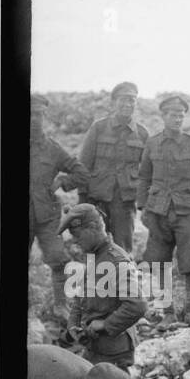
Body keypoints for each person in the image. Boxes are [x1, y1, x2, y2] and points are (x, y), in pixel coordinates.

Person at [58, 203, 147, 379]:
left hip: (114, 348)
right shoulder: (93, 259)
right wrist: (74, 323)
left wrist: (104, 325)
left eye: (79, 236)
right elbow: (80, 298)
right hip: (95, 349)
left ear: (95, 228)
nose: (76, 242)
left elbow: (136, 305)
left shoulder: (117, 260)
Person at [136, 93, 190, 322]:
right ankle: (167, 312)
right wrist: (142, 208)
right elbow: (143, 178)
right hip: (158, 213)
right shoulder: (152, 143)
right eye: (173, 115)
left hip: (186, 212)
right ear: (163, 116)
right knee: (160, 264)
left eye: (181, 115)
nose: (177, 119)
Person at [29, 93, 90, 324]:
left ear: (45, 117)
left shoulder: (52, 149)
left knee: (58, 259)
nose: (35, 119)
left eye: (39, 115)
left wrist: (62, 182)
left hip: (46, 215)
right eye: (31, 114)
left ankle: (60, 305)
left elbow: (81, 173)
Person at [77, 81, 150, 255]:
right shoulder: (99, 128)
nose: (127, 104)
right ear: (113, 102)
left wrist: (145, 203)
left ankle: (122, 282)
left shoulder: (142, 133)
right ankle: (95, 282)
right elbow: (83, 165)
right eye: (123, 99)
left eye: (132, 100)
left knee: (122, 249)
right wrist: (82, 199)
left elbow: (148, 172)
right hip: (97, 199)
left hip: (125, 202)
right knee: (94, 247)